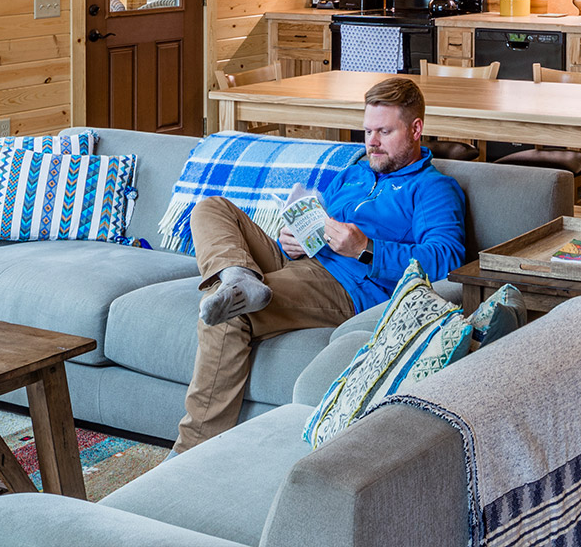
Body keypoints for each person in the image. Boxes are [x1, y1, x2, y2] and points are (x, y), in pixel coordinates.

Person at [172, 76, 465, 452]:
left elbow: (446, 259)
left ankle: (190, 452)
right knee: (212, 207)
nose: (372, 142)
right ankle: (238, 274)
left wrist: (366, 249)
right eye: (367, 131)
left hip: (346, 285)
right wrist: (291, 238)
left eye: (384, 132)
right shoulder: (356, 172)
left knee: (228, 312)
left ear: (416, 129)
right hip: (302, 260)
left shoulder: (432, 188)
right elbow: (317, 218)